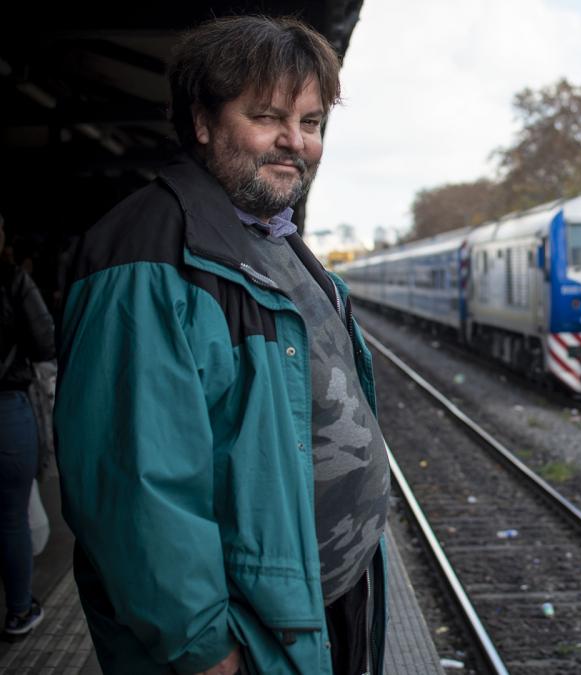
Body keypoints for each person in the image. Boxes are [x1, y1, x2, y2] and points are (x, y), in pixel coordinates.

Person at [55, 16, 390, 674]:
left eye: (312, 122)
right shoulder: (151, 255)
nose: (296, 141)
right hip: (251, 632)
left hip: (319, 602)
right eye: (267, 117)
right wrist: (205, 648)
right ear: (203, 122)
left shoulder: (270, 234)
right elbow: (135, 488)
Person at [0, 212, 56, 637]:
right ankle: (19, 610)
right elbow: (44, 343)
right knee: (12, 516)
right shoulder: (12, 280)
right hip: (7, 410)